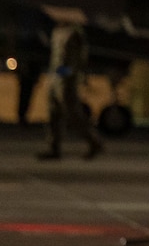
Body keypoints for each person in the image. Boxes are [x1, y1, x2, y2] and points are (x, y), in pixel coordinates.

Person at [35, 18, 102, 161]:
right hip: (55, 76)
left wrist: (68, 75)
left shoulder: (74, 33)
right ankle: (54, 147)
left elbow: (78, 58)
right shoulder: (58, 31)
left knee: (72, 113)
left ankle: (94, 142)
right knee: (54, 113)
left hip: (66, 79)